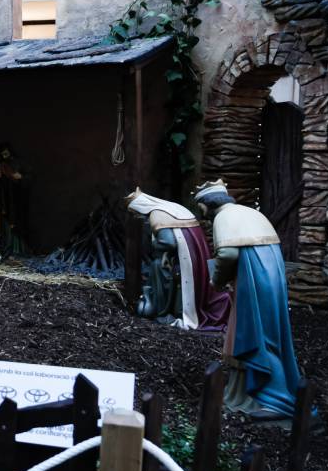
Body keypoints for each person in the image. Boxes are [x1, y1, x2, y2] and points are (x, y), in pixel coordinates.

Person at [195, 180, 301, 420]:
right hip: (270, 277)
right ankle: (257, 393)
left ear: (206, 206)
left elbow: (228, 253)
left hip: (256, 283)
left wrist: (217, 281)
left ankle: (276, 402)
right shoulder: (248, 213)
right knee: (269, 337)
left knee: (260, 340)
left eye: (201, 209)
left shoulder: (223, 218)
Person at [125, 188, 230, 330]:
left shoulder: (156, 214)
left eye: (136, 213)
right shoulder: (171, 208)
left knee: (157, 267)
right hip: (191, 256)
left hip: (183, 262)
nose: (138, 216)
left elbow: (168, 242)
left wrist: (154, 244)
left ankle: (162, 309)